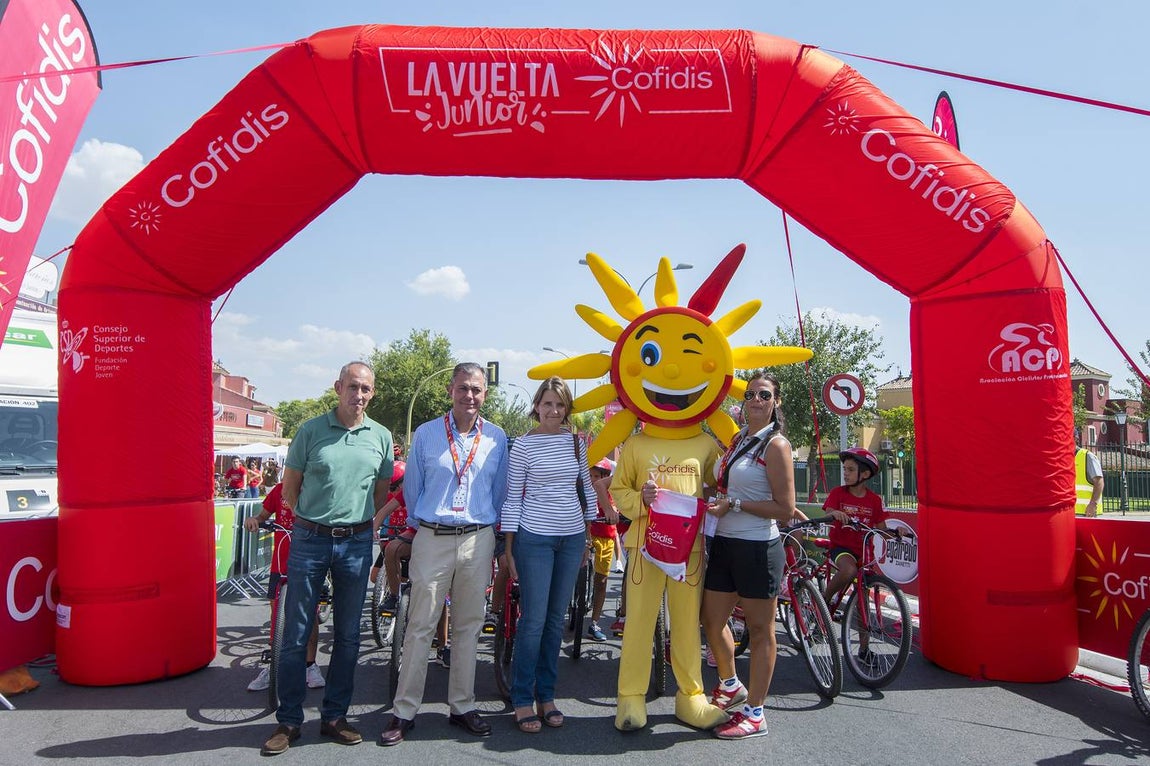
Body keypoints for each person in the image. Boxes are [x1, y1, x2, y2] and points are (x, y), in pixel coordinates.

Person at [259, 361, 393, 756]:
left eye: (366, 388)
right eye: (353, 386)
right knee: (297, 633)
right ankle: (289, 721)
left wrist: (352, 522)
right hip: (310, 538)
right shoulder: (310, 431)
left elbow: (380, 494)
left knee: (349, 636)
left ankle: (335, 716)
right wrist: (318, 518)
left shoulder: (381, 437)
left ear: (372, 393)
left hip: (355, 543)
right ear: (338, 387)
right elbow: (289, 491)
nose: (359, 394)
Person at [380, 362, 508, 747]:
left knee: (469, 626)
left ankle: (462, 706)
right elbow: (414, 490)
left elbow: (499, 494)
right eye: (463, 388)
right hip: (433, 537)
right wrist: (428, 525)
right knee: (420, 625)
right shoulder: (427, 434)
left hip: (478, 537)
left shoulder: (497, 437)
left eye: (477, 390)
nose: (470, 396)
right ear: (450, 391)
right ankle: (404, 710)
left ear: (485, 395)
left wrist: (489, 533)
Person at [701, 372, 800, 740]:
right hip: (725, 543)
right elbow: (718, 483)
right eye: (750, 394)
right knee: (710, 620)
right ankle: (730, 684)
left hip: (758, 548)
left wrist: (737, 504)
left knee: (760, 632)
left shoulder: (776, 445)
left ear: (775, 402)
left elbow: (785, 508)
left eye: (764, 394)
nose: (755, 399)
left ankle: (756, 712)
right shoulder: (738, 439)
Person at [500, 377, 595, 733]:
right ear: (536, 406)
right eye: (547, 404)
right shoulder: (523, 446)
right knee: (534, 621)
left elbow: (585, 488)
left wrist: (586, 537)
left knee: (557, 621)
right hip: (534, 539)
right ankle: (522, 698)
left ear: (567, 409)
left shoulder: (576, 443)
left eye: (560, 405)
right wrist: (508, 548)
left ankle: (547, 696)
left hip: (571, 539)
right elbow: (512, 498)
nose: (553, 410)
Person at [242, 482, 325, 692]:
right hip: (280, 562)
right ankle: (274, 665)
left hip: (309, 561)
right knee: (276, 611)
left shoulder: (318, 488)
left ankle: (310, 665)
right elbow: (262, 516)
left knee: (310, 613)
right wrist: (254, 520)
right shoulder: (280, 489)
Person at [822, 446, 887, 606]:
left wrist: (898, 532)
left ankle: (865, 631)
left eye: (850, 470)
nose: (845, 473)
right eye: (844, 469)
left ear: (865, 474)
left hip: (864, 553)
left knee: (863, 597)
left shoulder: (875, 500)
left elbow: (883, 530)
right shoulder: (838, 493)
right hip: (840, 548)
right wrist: (835, 514)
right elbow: (827, 515)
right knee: (849, 570)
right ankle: (823, 602)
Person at [586, 457, 620, 642]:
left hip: (606, 537)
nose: (592, 480)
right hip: (587, 536)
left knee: (601, 581)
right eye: (590, 475)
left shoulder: (612, 493)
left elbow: (620, 509)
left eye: (597, 476)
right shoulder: (581, 491)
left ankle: (595, 622)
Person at [1075, 438, 1104, 517]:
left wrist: (1093, 504)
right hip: (1070, 512)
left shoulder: (1087, 456)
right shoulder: (1064, 457)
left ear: (1075, 439)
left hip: (1087, 513)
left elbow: (1099, 481)